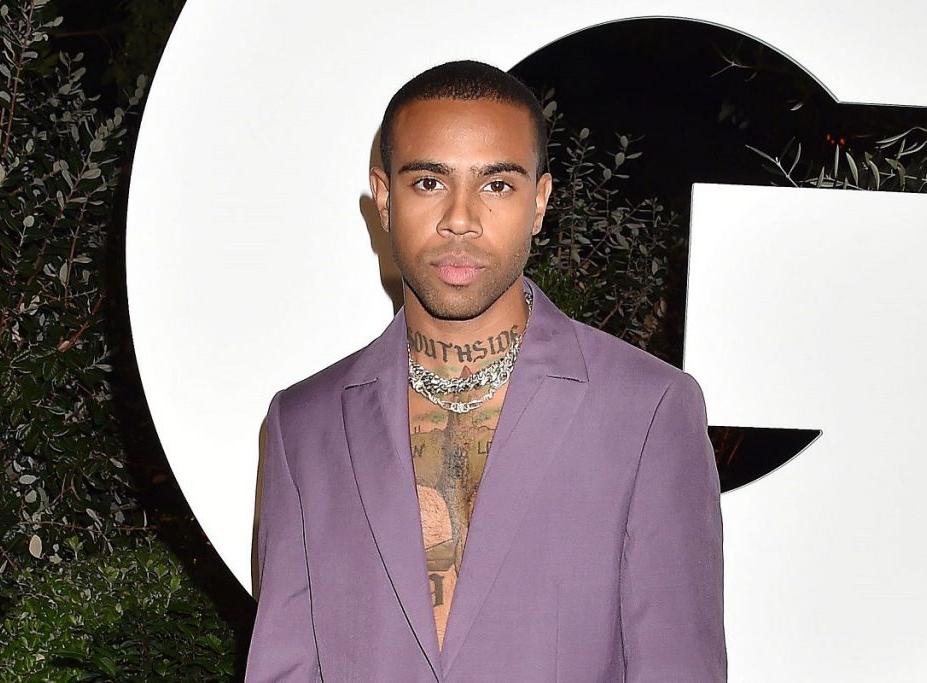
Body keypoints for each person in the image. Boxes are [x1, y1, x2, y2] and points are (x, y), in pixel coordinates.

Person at [245, 60, 726, 682]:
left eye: (496, 185)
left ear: (539, 202)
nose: (461, 218)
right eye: (428, 182)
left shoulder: (647, 410)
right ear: (384, 198)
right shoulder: (303, 425)